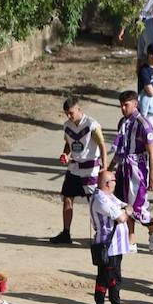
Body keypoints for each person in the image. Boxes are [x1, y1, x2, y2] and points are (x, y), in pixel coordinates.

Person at [110, 90, 153, 251]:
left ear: (135, 104)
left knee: (137, 207)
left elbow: (152, 152)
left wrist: (152, 176)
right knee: (123, 203)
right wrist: (109, 169)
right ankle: (130, 239)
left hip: (137, 170)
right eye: (121, 106)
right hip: (123, 168)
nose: (123, 109)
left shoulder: (143, 125)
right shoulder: (123, 123)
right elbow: (120, 151)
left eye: (126, 105)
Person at [51, 97, 108, 245]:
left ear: (78, 109)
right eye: (66, 114)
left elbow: (102, 145)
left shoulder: (92, 125)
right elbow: (68, 143)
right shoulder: (67, 126)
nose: (69, 116)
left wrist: (104, 166)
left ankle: (101, 233)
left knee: (94, 202)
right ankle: (66, 232)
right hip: (74, 167)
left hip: (90, 168)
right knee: (67, 198)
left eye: (71, 113)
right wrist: (65, 154)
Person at [88, 170, 134, 304]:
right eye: (114, 180)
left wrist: (126, 209)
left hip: (116, 246)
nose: (116, 182)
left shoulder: (108, 196)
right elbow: (122, 216)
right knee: (104, 280)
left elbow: (125, 206)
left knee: (115, 280)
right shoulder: (100, 199)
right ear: (107, 183)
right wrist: (126, 211)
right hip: (106, 246)